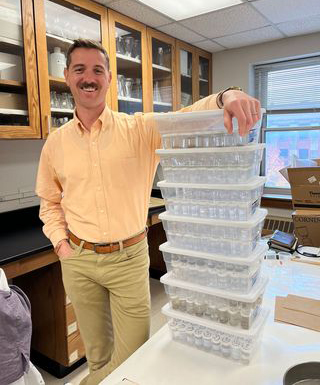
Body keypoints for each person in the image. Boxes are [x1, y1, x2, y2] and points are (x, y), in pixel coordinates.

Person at [36, 39, 261, 385]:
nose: (89, 78)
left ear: (109, 78)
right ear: (67, 76)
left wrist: (226, 96)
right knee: (96, 354)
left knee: (134, 358)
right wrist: (61, 244)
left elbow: (185, 117)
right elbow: (49, 202)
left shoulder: (138, 129)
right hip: (78, 259)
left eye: (97, 70)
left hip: (128, 259)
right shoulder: (56, 142)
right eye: (79, 69)